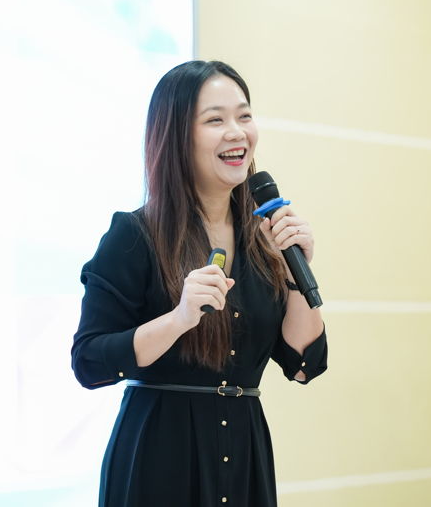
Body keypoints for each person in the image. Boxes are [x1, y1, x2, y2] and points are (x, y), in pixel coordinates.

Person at [71, 60, 328, 507]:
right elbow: (90, 362)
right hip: (160, 458)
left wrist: (293, 274)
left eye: (244, 116)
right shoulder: (135, 235)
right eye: (215, 120)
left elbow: (304, 364)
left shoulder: (263, 237)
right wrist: (179, 319)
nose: (237, 132)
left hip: (244, 454)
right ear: (177, 135)